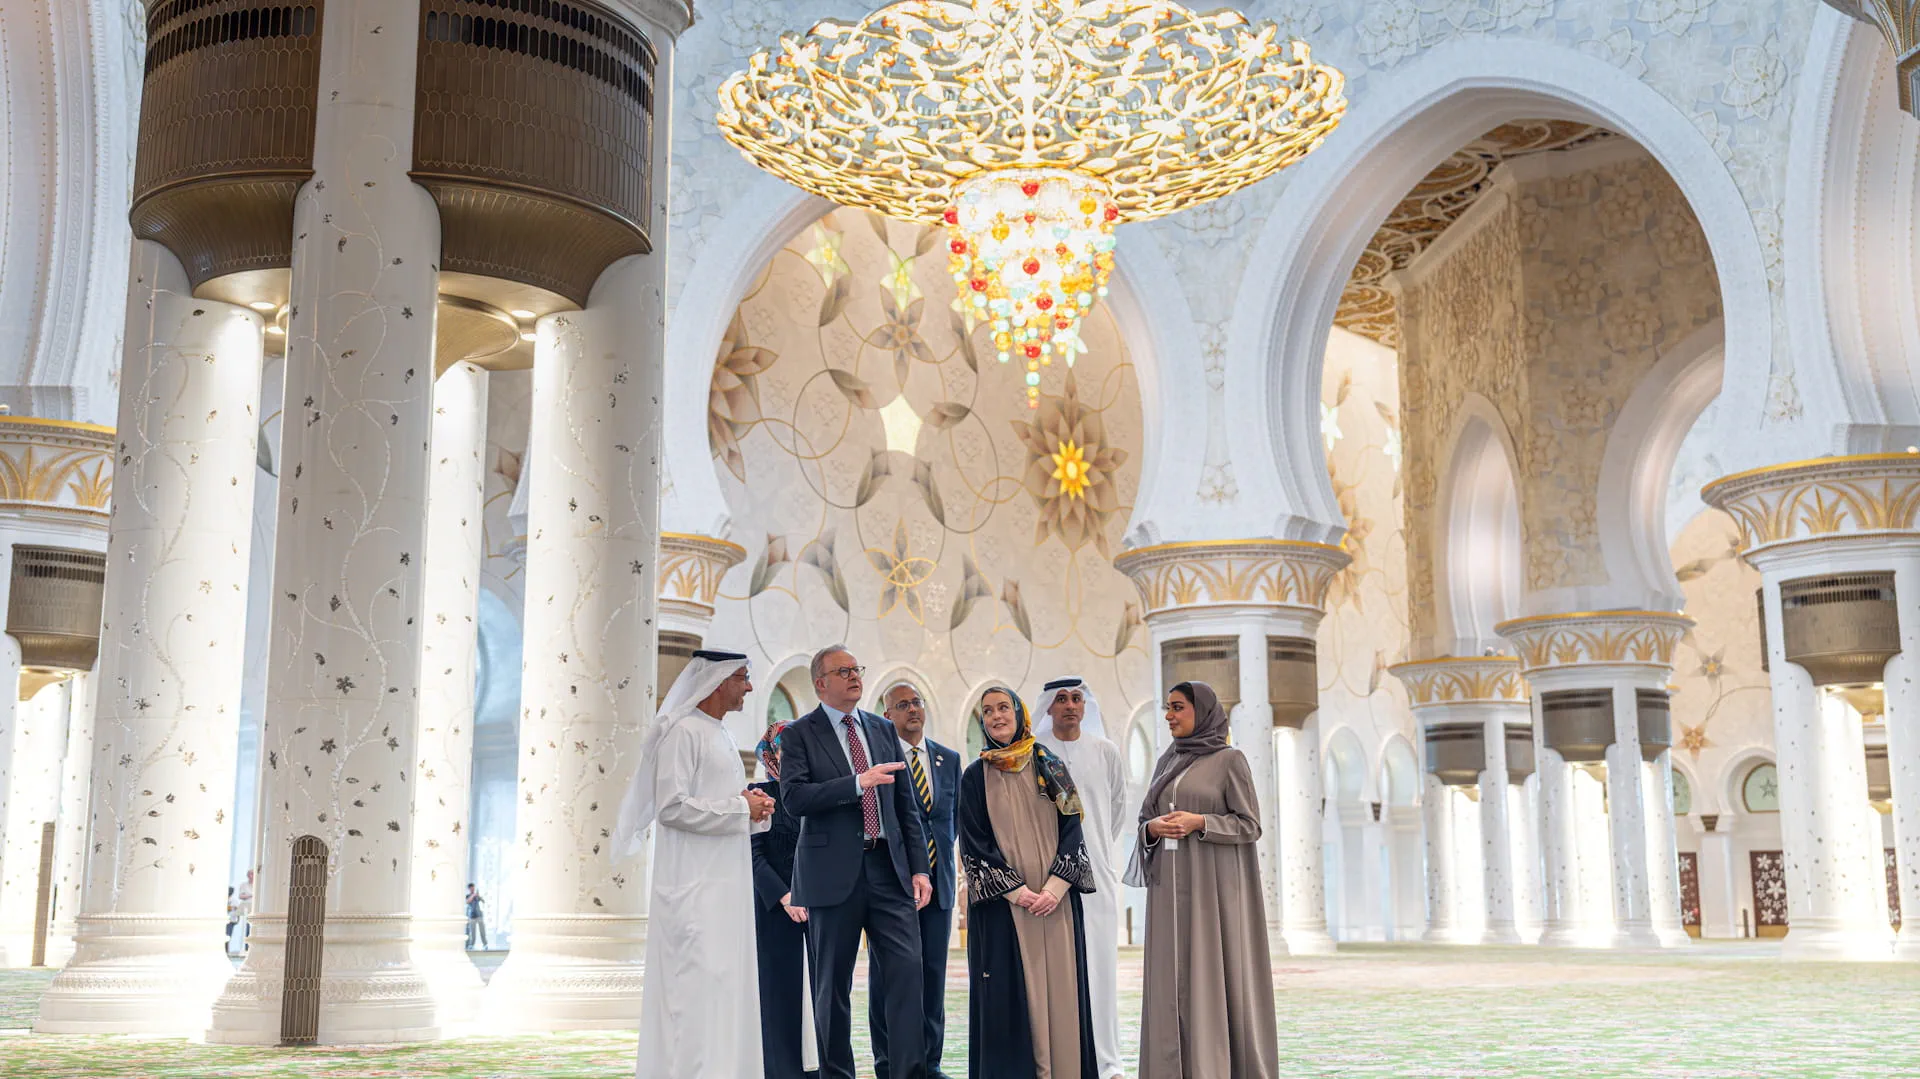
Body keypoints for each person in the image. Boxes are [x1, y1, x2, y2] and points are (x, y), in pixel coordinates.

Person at [614, 649, 777, 1079]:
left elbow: (723, 802)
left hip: (724, 887)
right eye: (742, 677)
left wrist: (753, 808)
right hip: (693, 889)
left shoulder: (717, 733)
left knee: (724, 987)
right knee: (696, 990)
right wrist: (742, 808)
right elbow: (671, 807)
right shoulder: (682, 731)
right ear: (718, 681)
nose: (748, 686)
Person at [780, 645, 933, 1079]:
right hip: (831, 877)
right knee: (833, 990)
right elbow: (793, 800)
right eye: (842, 671)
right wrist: (855, 783)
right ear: (820, 683)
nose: (854, 676)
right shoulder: (799, 734)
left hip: (890, 871)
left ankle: (907, 1073)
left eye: (856, 669)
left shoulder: (883, 729)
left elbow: (906, 805)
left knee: (907, 978)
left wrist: (920, 868)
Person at [1131, 681, 1277, 1079]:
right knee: (1170, 976)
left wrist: (1201, 822)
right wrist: (1152, 829)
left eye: (1177, 707)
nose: (1169, 715)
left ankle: (1214, 1066)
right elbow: (1145, 818)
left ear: (1203, 712)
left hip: (1212, 891)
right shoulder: (1167, 760)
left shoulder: (1231, 760)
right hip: (1167, 889)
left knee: (1212, 972)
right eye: (1167, 707)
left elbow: (1250, 825)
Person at [960, 685, 1097, 1079]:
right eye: (987, 711)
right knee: (1009, 999)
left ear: (1020, 714)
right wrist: (1019, 893)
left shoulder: (1049, 764)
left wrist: (1055, 889)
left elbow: (1073, 828)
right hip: (1006, 909)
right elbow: (973, 843)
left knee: (1062, 992)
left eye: (1004, 707)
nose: (996, 716)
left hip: (1055, 905)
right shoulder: (975, 777)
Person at [1034, 676, 1128, 1079]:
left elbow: (1117, 809)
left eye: (1077, 698)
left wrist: (1099, 854)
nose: (1070, 705)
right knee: (1058, 967)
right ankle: (1062, 1057)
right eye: (1061, 699)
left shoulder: (1105, 751)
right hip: (1050, 878)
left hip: (1099, 876)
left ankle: (1108, 1062)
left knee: (1102, 967)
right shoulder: (1036, 753)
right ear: (1048, 708)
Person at [870, 683, 962, 1079]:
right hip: (892, 886)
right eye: (902, 705)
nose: (912, 710)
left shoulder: (949, 759)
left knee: (933, 974)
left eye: (916, 702)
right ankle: (886, 1061)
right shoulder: (879, 761)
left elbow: (951, 821)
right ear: (887, 715)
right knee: (888, 976)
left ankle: (930, 1061)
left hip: (938, 884)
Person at [751, 721, 821, 1079]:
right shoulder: (757, 793)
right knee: (779, 997)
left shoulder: (816, 792)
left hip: (820, 907)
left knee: (821, 997)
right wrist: (785, 896)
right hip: (774, 911)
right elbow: (753, 853)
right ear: (772, 752)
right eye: (784, 748)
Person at [464, 884, 487, 950]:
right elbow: (468, 901)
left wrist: (478, 896)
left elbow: (483, 901)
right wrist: (473, 895)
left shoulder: (477, 896)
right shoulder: (468, 896)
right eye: (471, 888)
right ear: (469, 889)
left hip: (479, 916)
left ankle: (485, 944)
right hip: (472, 916)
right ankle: (471, 944)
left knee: (482, 931)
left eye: (473, 888)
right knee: (472, 932)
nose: (472, 889)